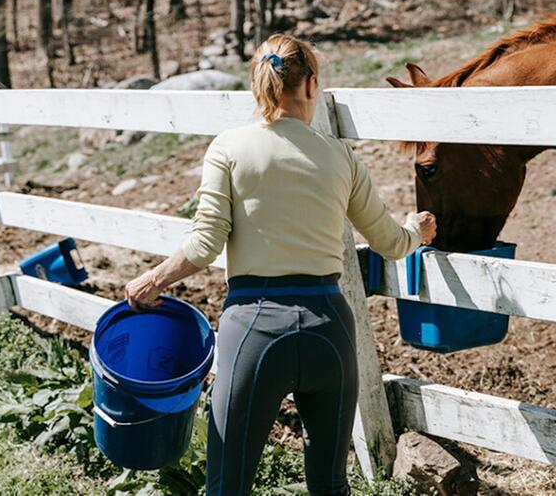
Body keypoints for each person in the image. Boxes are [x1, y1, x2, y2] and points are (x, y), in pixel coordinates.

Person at [124, 34, 437, 496]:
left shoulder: (228, 149)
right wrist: (417, 230)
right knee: (330, 485)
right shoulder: (340, 156)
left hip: (253, 329)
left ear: (258, 85)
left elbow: (206, 243)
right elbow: (390, 243)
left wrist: (152, 279)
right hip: (328, 329)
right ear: (312, 85)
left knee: (227, 485)